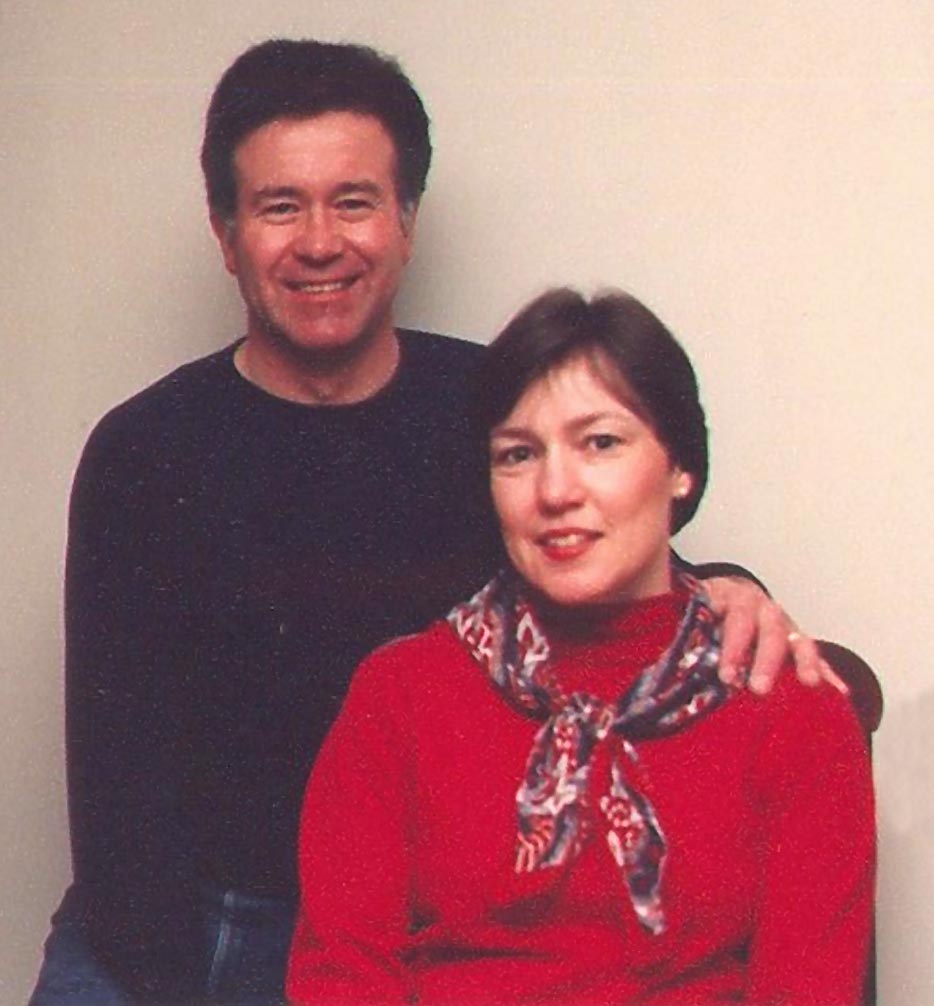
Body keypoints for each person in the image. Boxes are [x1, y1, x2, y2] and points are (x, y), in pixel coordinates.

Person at [31, 40, 835, 1006]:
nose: (320, 242)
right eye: (280, 207)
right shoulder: (144, 450)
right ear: (227, 233)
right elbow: (116, 795)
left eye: (355, 202)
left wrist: (737, 591)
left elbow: (617, 549)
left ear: (406, 223)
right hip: (194, 915)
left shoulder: (487, 408)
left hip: (418, 914)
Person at [286, 288, 874, 1006]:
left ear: (680, 466)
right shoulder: (401, 694)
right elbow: (343, 975)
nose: (555, 490)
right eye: (518, 455)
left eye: (601, 443)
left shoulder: (789, 706)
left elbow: (807, 990)